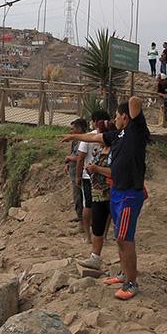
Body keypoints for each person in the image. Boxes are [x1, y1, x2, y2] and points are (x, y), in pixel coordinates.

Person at [63, 97, 149, 300]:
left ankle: (131, 282)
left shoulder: (135, 132)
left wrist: (127, 103)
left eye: (117, 116)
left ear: (126, 117)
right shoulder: (117, 135)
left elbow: (134, 100)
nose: (114, 119)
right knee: (119, 238)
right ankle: (123, 274)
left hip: (129, 194)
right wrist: (73, 137)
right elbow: (95, 138)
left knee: (124, 239)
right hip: (117, 192)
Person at [79, 125, 115, 270]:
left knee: (117, 227)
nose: (98, 137)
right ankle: (95, 257)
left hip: (111, 192)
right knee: (98, 225)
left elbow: (115, 172)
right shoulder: (99, 151)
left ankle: (124, 265)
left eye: (101, 135)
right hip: (97, 193)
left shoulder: (116, 152)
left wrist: (96, 169)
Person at [77, 110, 110, 243]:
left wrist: (77, 177)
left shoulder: (88, 137)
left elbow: (80, 158)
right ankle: (105, 235)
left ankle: (87, 236)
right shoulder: (111, 136)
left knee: (88, 205)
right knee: (107, 207)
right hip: (106, 176)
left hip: (89, 177)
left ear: (95, 121)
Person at [64, 118, 88, 223]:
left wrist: (69, 158)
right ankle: (80, 216)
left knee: (79, 195)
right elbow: (73, 154)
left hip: (80, 172)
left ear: (79, 128)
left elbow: (80, 157)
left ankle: (82, 219)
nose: (71, 131)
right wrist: (67, 164)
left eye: (73, 129)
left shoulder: (85, 140)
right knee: (77, 195)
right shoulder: (75, 141)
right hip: (73, 170)